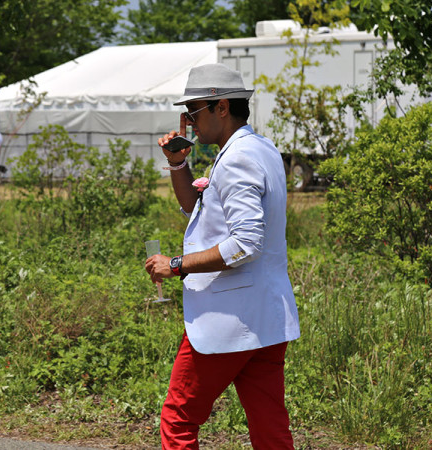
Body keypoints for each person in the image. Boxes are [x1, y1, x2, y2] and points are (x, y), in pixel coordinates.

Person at [144, 63, 300, 449]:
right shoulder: (260, 148)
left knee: (178, 419)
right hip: (266, 316)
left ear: (222, 107)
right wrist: (178, 163)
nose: (189, 122)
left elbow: (245, 243)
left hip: (228, 319)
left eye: (194, 111)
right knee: (269, 426)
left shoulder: (236, 159)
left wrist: (176, 265)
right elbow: (197, 210)